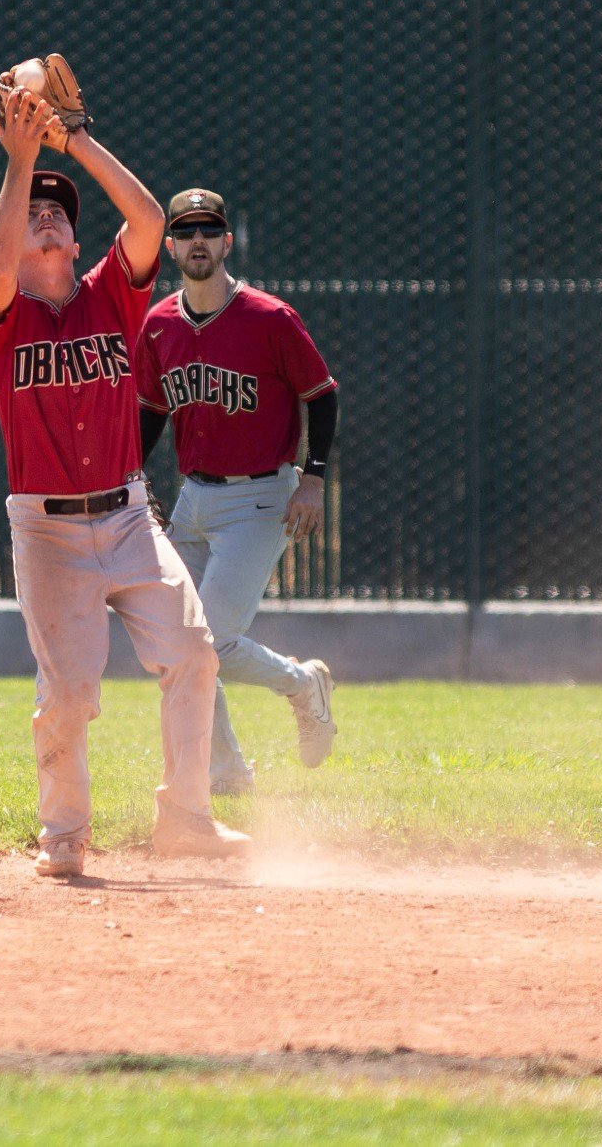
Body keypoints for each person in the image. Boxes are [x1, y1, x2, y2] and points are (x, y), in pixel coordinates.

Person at [0, 90, 250, 878]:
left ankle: (188, 819)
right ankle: (64, 838)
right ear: (15, 233)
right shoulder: (1, 314)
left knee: (194, 653)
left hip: (127, 518)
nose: (48, 216)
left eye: (59, 210)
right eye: (35, 211)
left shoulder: (109, 296)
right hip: (48, 532)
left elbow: (151, 219)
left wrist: (74, 141)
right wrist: (23, 162)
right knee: (68, 698)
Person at [135, 188, 339, 795]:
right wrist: (131, 478)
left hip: (259, 498)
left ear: (227, 242)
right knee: (175, 646)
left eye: (209, 230)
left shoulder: (269, 317)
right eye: (186, 231)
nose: (198, 241)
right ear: (170, 245)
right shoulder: (159, 324)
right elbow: (150, 412)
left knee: (209, 639)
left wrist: (314, 476)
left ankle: (303, 685)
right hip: (192, 500)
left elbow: (321, 394)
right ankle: (225, 772)